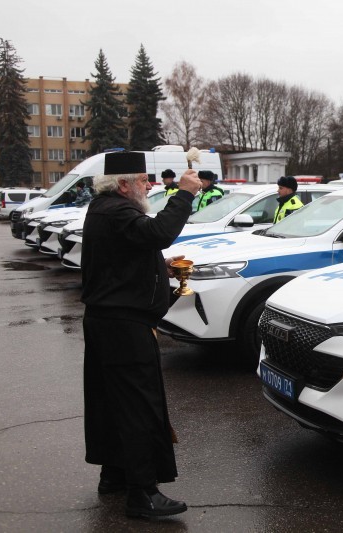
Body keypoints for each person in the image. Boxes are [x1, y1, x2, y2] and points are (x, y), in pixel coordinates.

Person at [80, 151, 201, 518]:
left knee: (112, 402)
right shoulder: (117, 211)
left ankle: (114, 474)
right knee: (138, 406)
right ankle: (143, 493)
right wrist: (183, 194)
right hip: (123, 326)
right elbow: (159, 232)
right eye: (143, 179)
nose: (149, 185)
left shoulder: (105, 209)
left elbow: (128, 251)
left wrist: (156, 265)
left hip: (107, 321)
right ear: (123, 184)